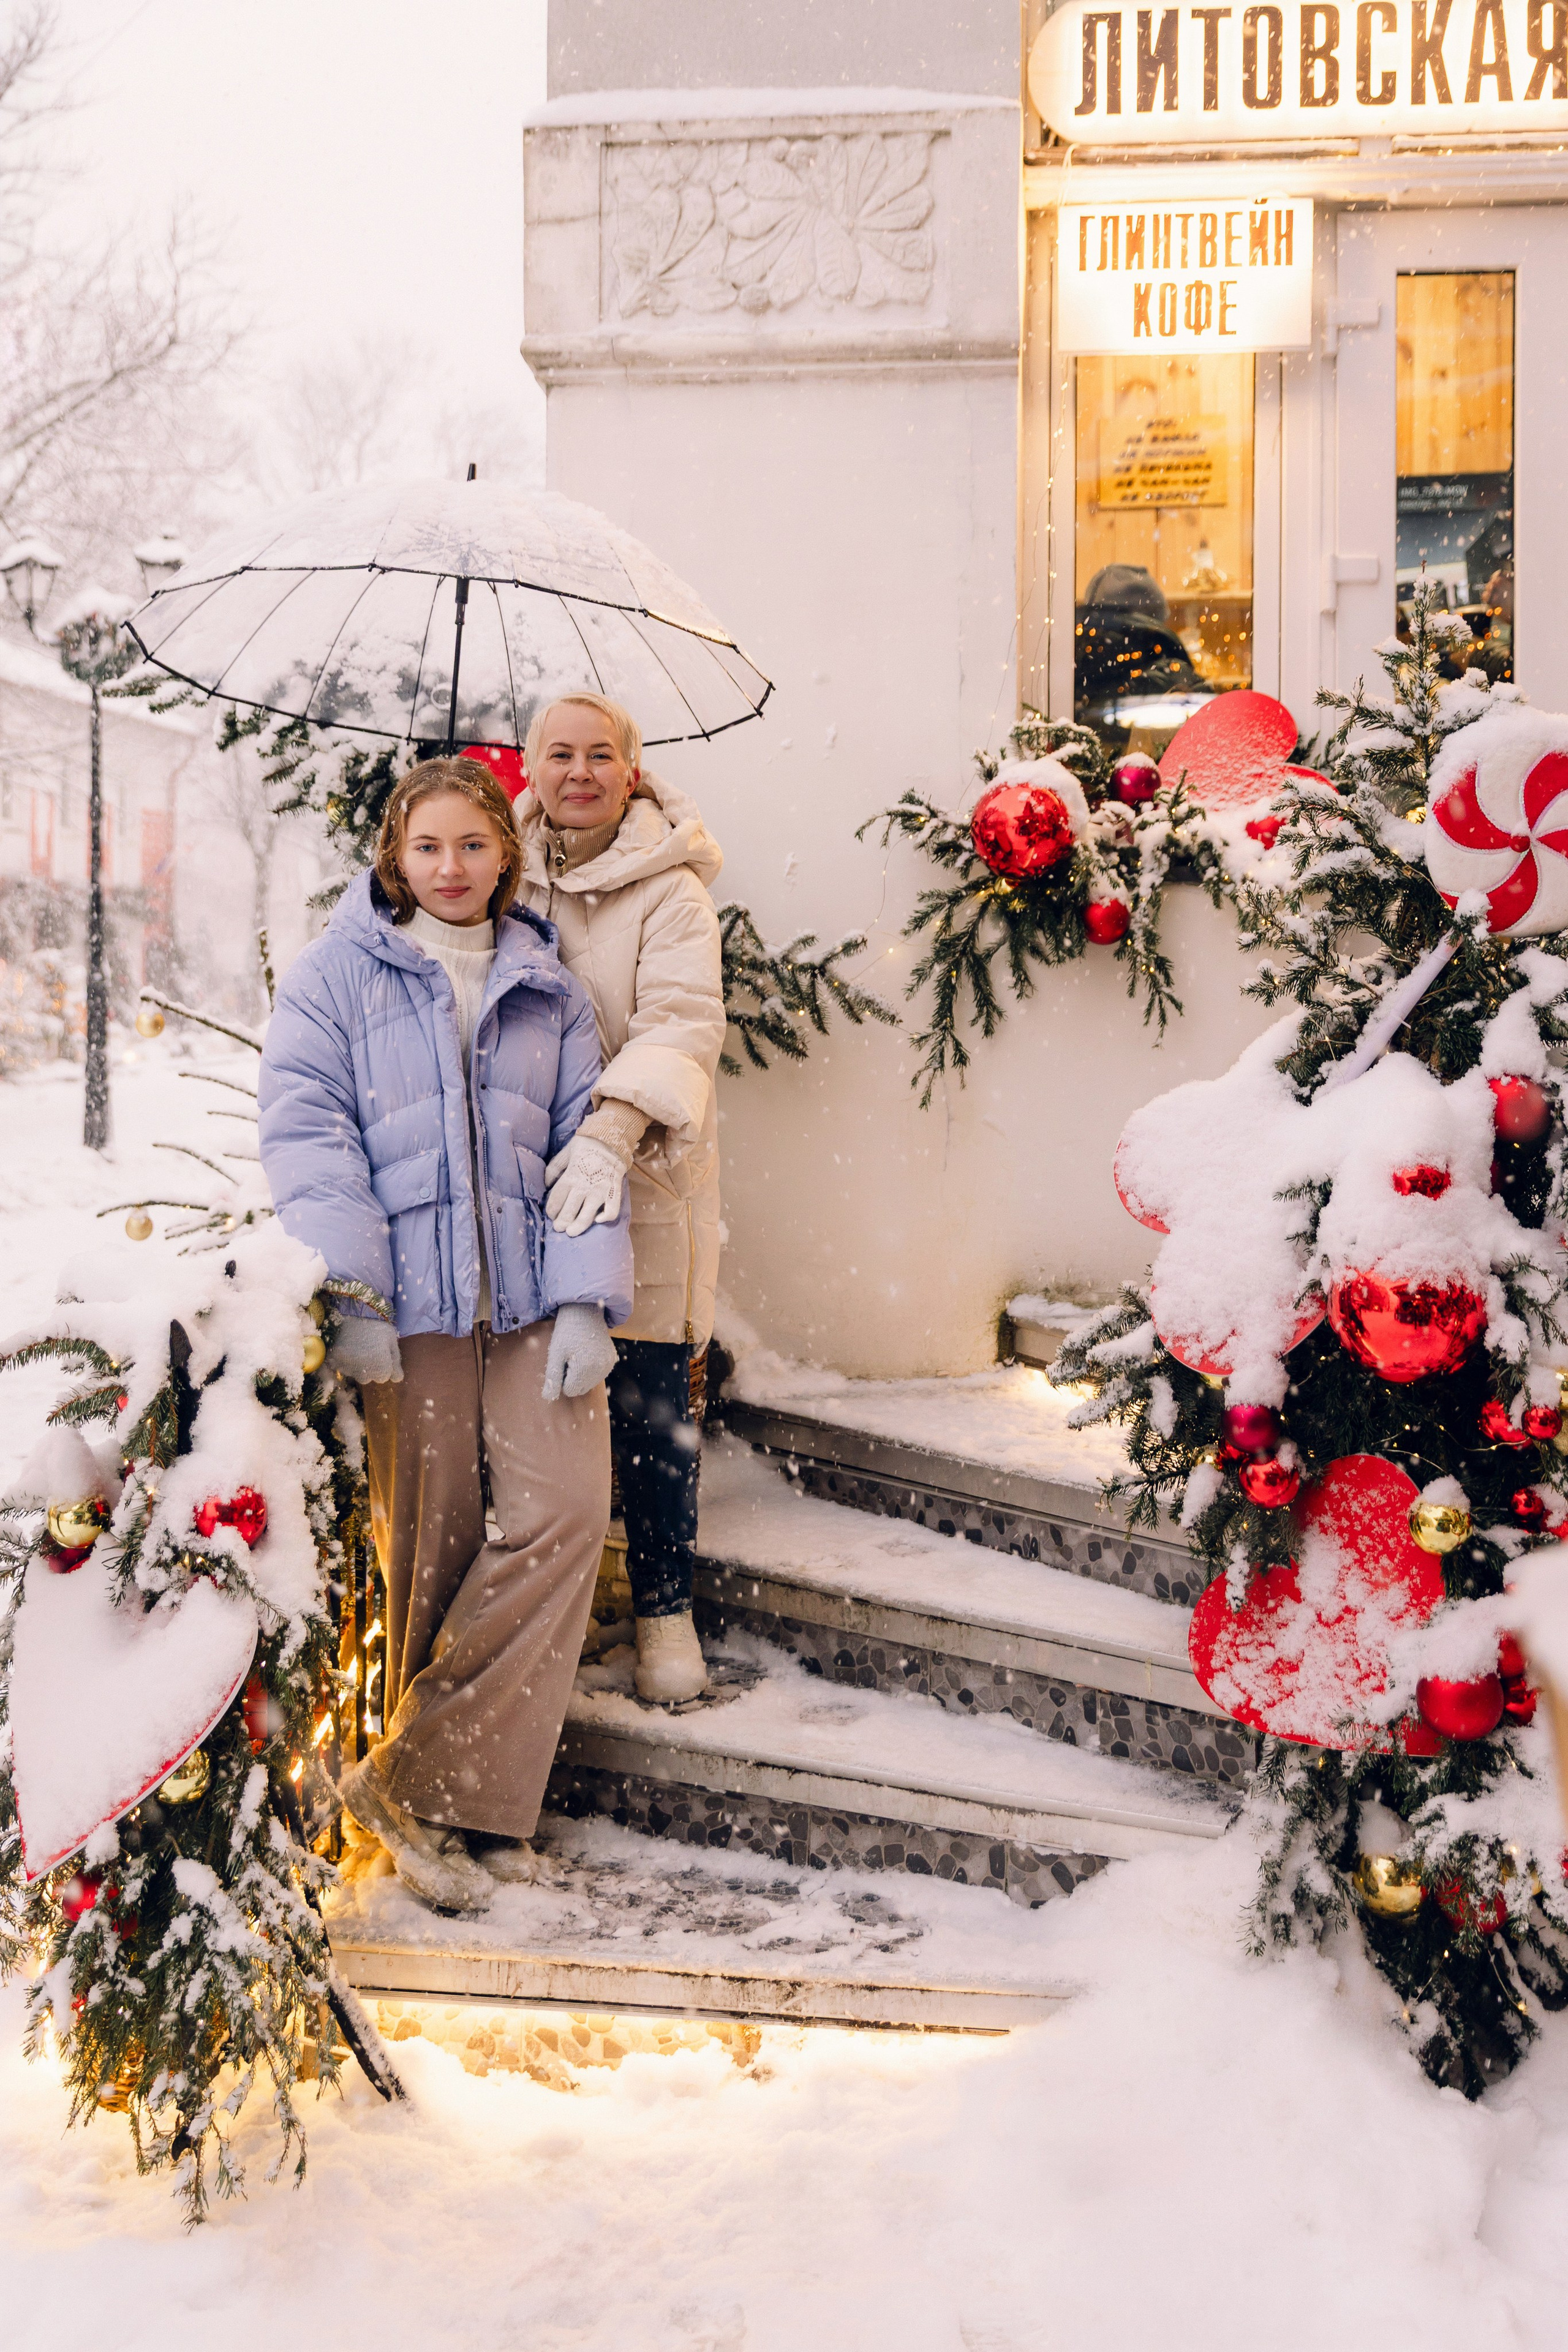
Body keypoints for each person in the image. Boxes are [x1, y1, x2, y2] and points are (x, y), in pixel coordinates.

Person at [257, 757, 632, 1915]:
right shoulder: (332, 977)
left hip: (527, 1297)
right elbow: (310, 1137)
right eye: (429, 849)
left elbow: (580, 1148)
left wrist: (585, 1298)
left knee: (565, 1512)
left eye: (473, 847)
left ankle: (416, 1785)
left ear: (503, 857)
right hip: (408, 1308)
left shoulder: (548, 987)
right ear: (394, 857)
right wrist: (357, 1297)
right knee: (431, 1546)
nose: (452, 869)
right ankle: (465, 1810)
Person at [514, 693, 726, 1705]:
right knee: (533, 1403)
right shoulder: (496, 865)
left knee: (649, 1408)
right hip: (519, 1186)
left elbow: (681, 1026)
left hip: (637, 1175)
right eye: (562, 754)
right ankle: (552, 1611)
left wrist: (607, 1134)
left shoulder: (672, 892)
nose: (582, 772)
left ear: (632, 772)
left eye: (603, 755)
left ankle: (663, 1610)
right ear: (532, 767)